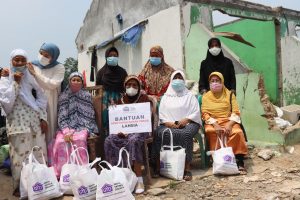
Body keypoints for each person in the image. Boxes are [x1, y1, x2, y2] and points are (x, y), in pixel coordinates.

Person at [0, 49, 48, 195]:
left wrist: (43, 117)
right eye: (16, 60)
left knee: (39, 153)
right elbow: (7, 104)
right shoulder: (4, 79)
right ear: (11, 61)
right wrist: (15, 82)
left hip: (34, 121)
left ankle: (42, 184)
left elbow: (41, 95)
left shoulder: (30, 76)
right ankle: (21, 188)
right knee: (19, 156)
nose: (20, 63)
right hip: (16, 123)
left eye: (22, 60)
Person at [104, 75, 151, 194]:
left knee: (134, 140)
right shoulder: (121, 100)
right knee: (109, 140)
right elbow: (118, 121)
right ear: (125, 87)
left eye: (135, 85)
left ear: (139, 87)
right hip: (124, 132)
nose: (131, 87)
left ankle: (139, 179)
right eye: (129, 85)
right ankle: (117, 176)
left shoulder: (144, 98)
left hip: (140, 131)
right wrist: (118, 126)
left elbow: (147, 118)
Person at [152, 70, 201, 181]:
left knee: (186, 134)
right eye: (175, 78)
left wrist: (186, 120)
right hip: (168, 124)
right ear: (171, 80)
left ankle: (187, 168)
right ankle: (158, 166)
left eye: (180, 78)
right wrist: (169, 123)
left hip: (189, 123)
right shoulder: (166, 97)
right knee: (159, 133)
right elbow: (162, 115)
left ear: (184, 81)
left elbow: (196, 112)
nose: (177, 80)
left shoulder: (190, 96)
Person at [51, 72, 99, 177]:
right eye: (74, 80)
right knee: (59, 141)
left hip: (84, 126)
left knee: (80, 140)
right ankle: (61, 174)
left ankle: (81, 173)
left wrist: (84, 128)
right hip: (66, 127)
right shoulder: (63, 96)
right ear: (69, 81)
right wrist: (66, 131)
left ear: (82, 82)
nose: (76, 82)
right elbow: (62, 116)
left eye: (78, 80)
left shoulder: (87, 96)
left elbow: (89, 115)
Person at [201, 72, 248, 174]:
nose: (215, 83)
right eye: (212, 81)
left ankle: (239, 160)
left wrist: (230, 124)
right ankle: (217, 159)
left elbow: (236, 112)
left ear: (222, 82)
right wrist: (215, 124)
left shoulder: (230, 94)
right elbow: (204, 113)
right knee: (210, 131)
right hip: (213, 121)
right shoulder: (206, 96)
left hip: (228, 119)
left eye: (217, 81)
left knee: (237, 132)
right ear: (209, 83)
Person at [27, 42, 65, 144]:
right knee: (35, 127)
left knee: (50, 126)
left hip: (51, 99)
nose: (42, 57)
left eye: (47, 55)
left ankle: (51, 153)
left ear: (53, 56)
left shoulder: (59, 67)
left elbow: (52, 84)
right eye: (41, 53)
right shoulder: (32, 65)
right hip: (33, 99)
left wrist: (35, 74)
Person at [96, 47, 128, 135]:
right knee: (107, 124)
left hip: (119, 101)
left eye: (115, 55)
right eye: (110, 55)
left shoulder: (123, 72)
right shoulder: (101, 73)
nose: (113, 57)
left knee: (120, 123)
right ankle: (107, 144)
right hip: (105, 102)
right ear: (106, 57)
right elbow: (98, 89)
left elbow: (126, 87)